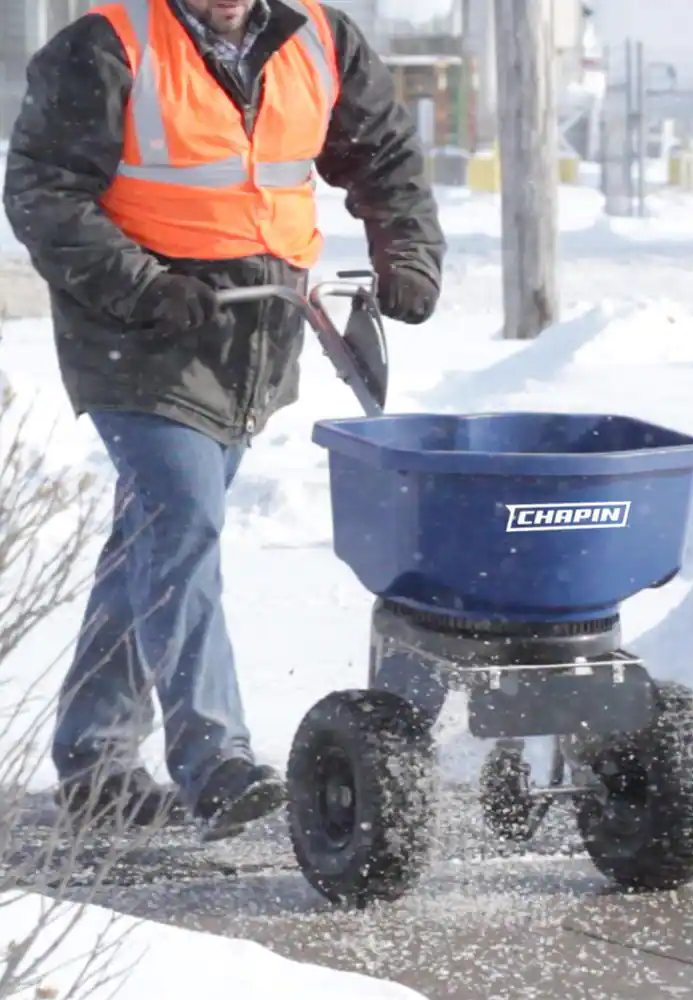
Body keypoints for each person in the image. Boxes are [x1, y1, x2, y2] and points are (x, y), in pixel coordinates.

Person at [3, 0, 445, 836]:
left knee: (152, 541)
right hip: (136, 334)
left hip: (254, 333)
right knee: (181, 521)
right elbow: (43, 193)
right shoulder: (108, 44)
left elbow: (384, 153)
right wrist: (141, 286)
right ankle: (217, 759)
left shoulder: (320, 38)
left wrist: (409, 250)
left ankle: (95, 761)